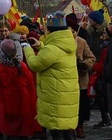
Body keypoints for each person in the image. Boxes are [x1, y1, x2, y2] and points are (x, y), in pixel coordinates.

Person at [22, 12, 79, 140]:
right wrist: (42, 46)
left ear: (50, 31)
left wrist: (27, 49)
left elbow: (35, 65)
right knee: (67, 130)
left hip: (55, 98)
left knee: (57, 131)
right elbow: (54, 58)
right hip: (66, 96)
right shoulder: (67, 44)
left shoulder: (52, 49)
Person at [0, 39, 39, 140]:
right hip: (23, 102)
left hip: (7, 103)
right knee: (22, 131)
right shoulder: (22, 66)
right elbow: (30, 85)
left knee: (11, 131)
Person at [67, 14, 95, 139]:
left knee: (81, 105)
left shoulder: (81, 42)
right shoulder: (56, 42)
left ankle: (80, 126)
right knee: (67, 106)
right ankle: (69, 127)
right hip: (65, 80)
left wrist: (84, 65)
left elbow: (91, 58)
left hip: (80, 80)